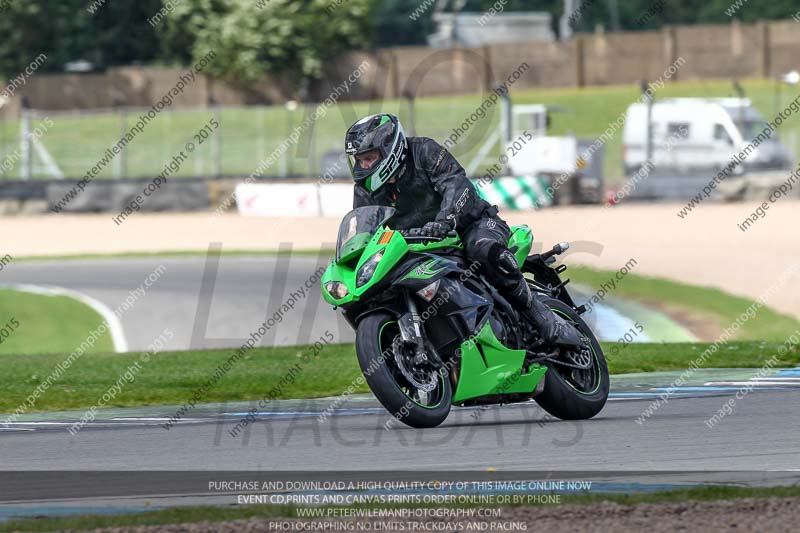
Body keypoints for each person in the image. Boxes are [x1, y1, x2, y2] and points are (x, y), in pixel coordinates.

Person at [346, 113, 582, 348]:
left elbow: (457, 186)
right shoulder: (365, 190)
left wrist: (444, 220)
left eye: (369, 157)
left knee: (484, 251)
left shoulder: (425, 151)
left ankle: (543, 317)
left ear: (390, 149)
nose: (363, 165)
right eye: (359, 160)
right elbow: (366, 230)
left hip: (470, 226)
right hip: (415, 247)